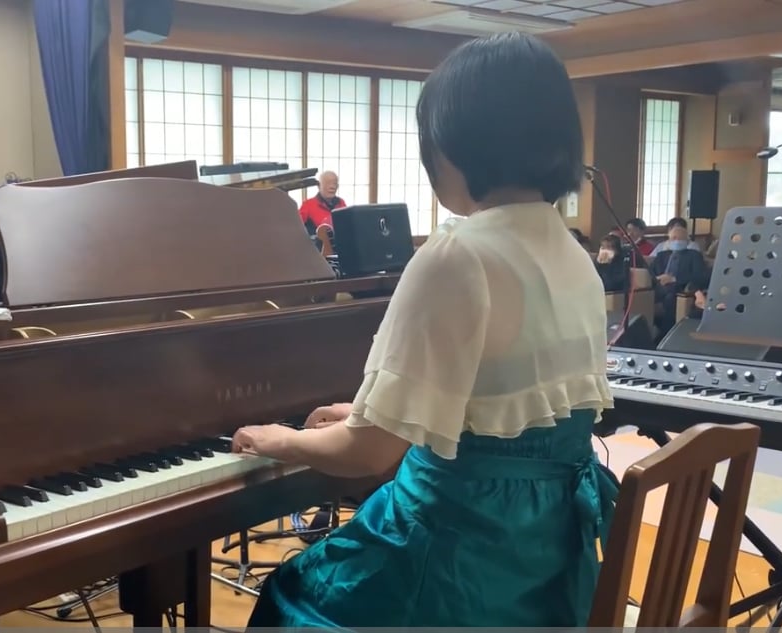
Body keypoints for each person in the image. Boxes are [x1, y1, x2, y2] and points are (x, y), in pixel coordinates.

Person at [232, 32, 617, 628]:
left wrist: (278, 438)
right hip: (548, 564)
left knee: (293, 594)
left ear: (457, 142)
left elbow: (367, 453)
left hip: (458, 561)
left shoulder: (456, 255)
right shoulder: (574, 255)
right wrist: (378, 412)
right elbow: (500, 408)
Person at [649, 224, 710, 336]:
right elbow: (650, 272)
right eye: (673, 238)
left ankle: (665, 334)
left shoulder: (694, 255)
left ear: (687, 241)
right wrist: (658, 278)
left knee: (670, 298)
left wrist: (674, 279)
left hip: (679, 287)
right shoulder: (662, 255)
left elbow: (699, 276)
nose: (676, 241)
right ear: (669, 240)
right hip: (658, 286)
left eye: (680, 238)